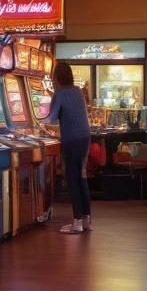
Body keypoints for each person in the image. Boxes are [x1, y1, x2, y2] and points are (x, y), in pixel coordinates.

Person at [47, 61, 92, 234]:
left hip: (71, 139)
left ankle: (76, 222)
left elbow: (51, 119)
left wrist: (36, 121)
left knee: (72, 178)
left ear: (56, 77)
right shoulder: (78, 91)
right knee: (82, 177)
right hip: (84, 138)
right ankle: (86, 220)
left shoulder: (59, 93)